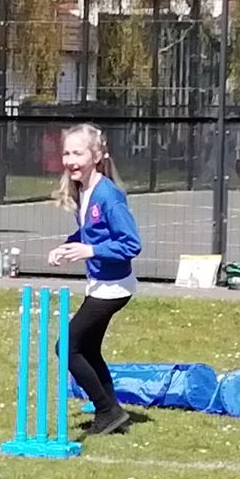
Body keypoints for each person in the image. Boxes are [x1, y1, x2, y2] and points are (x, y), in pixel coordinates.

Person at [46, 123, 143, 437]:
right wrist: (67, 245)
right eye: (67, 153)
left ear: (97, 155)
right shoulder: (83, 189)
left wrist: (89, 249)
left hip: (114, 287)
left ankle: (106, 410)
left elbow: (131, 244)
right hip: (100, 284)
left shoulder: (108, 195)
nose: (71, 160)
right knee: (88, 350)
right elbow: (90, 233)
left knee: (67, 347)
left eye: (78, 153)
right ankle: (112, 411)